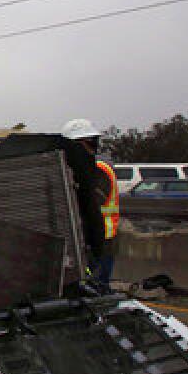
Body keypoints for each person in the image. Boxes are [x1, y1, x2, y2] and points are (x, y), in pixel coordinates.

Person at [61, 118, 119, 290]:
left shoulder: (98, 169)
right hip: (94, 238)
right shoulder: (90, 167)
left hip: (100, 241)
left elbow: (90, 203)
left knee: (95, 289)